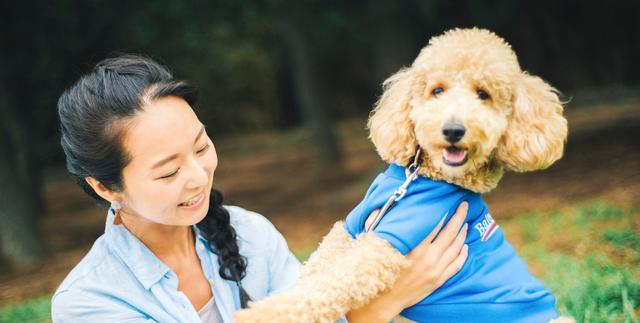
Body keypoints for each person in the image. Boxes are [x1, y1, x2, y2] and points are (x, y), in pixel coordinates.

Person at [51, 55, 468, 322]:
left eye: (201, 147)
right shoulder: (88, 302)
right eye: (167, 172)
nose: (198, 175)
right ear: (106, 187)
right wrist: (374, 310)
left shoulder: (250, 234)